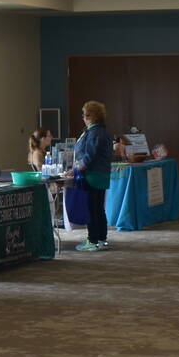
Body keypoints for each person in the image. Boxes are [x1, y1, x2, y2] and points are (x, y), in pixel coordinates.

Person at [72, 100, 115, 251]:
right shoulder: (103, 132)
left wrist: (76, 169)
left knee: (91, 209)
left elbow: (90, 156)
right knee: (98, 209)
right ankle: (102, 239)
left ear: (90, 116)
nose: (83, 117)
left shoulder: (94, 133)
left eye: (84, 114)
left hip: (92, 176)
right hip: (102, 175)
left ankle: (92, 241)